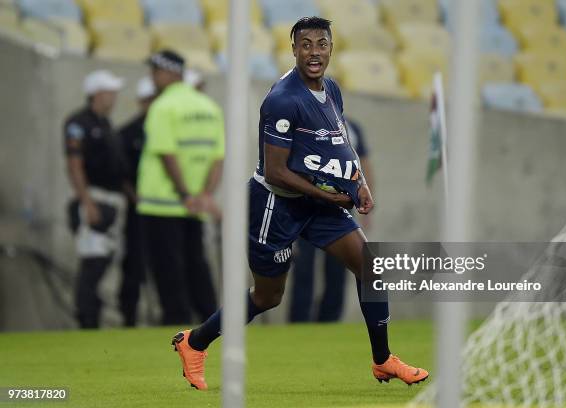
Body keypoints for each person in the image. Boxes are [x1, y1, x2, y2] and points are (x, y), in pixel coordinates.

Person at [171, 17, 428, 390]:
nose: (314, 53)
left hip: (316, 202)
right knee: (268, 296)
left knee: (371, 267)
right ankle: (194, 343)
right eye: (305, 45)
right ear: (293, 50)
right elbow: (276, 171)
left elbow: (341, 142)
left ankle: (382, 360)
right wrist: (330, 197)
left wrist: (360, 183)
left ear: (331, 48)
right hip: (275, 206)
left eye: (321, 44)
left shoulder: (333, 90)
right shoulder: (282, 100)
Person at [137, 50, 224, 325]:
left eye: (155, 71)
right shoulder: (209, 108)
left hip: (162, 204)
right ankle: (211, 323)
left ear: (169, 72)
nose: (152, 78)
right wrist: (205, 195)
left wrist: (185, 194)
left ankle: (177, 326)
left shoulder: (162, 107)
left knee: (168, 270)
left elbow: (166, 153)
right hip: (195, 205)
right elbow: (217, 158)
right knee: (196, 266)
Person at [289, 117, 374, 322]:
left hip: (341, 206)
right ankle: (299, 320)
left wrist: (367, 201)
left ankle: (330, 320)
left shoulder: (351, 128)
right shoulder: (302, 123)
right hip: (306, 205)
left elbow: (364, 165)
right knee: (303, 267)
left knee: (339, 268)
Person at [64, 69, 127, 328]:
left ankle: (94, 319)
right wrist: (87, 202)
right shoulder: (78, 123)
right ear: (97, 94)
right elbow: (74, 164)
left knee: (104, 261)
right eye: (110, 92)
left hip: (112, 201)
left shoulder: (105, 123)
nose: (113, 97)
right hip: (95, 199)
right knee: (93, 262)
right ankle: (86, 320)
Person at [116, 77, 156, 327]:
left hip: (163, 209)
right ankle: (128, 316)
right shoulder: (127, 132)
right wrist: (136, 199)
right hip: (138, 210)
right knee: (134, 263)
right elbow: (121, 175)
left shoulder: (164, 127)